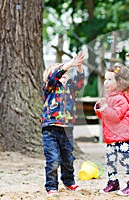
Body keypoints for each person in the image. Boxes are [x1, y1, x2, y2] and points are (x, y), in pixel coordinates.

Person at [41, 52, 85, 197]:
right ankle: (51, 186)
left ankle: (69, 181)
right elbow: (55, 76)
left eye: (66, 72)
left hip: (67, 129)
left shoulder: (71, 88)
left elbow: (80, 81)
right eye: (61, 71)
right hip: (50, 128)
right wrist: (67, 65)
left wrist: (78, 66)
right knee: (53, 159)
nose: (64, 73)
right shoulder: (50, 87)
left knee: (68, 158)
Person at [94, 63, 129, 196]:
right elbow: (104, 116)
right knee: (110, 160)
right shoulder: (109, 97)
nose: (106, 82)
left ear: (119, 82)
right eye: (105, 79)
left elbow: (115, 116)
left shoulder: (122, 99)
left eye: (109, 79)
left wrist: (105, 107)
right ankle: (113, 182)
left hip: (123, 137)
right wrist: (99, 107)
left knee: (124, 159)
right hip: (111, 137)